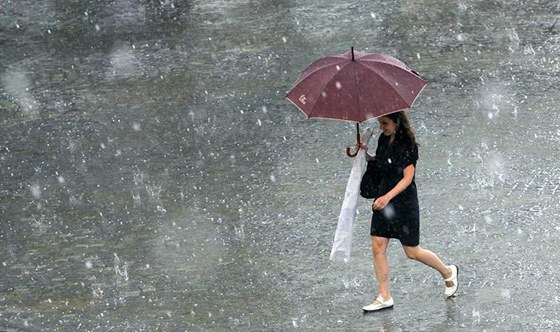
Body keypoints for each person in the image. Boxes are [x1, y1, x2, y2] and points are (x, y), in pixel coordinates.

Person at [361, 111, 458, 313]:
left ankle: (448, 271)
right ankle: (384, 296)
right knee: (378, 246)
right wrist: (364, 153)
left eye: (385, 123)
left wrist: (388, 197)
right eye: (380, 122)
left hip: (403, 202)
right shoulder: (383, 139)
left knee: (412, 252)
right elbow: (382, 162)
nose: (381, 127)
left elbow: (407, 179)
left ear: (396, 123)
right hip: (383, 200)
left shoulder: (407, 145)